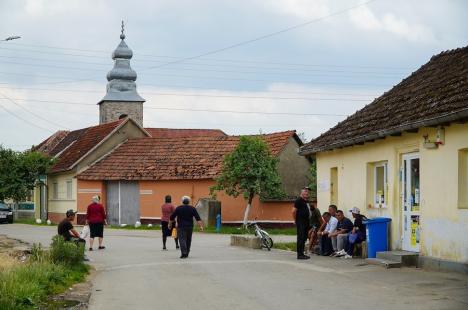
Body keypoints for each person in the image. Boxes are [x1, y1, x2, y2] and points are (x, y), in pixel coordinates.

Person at [292, 187, 311, 260]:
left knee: (304, 238)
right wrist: (295, 220)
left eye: (307, 192)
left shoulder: (305, 201)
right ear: (302, 193)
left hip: (306, 222)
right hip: (301, 222)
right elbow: (293, 211)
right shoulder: (298, 200)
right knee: (301, 238)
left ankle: (302, 253)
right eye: (305, 192)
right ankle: (300, 254)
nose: (307, 193)